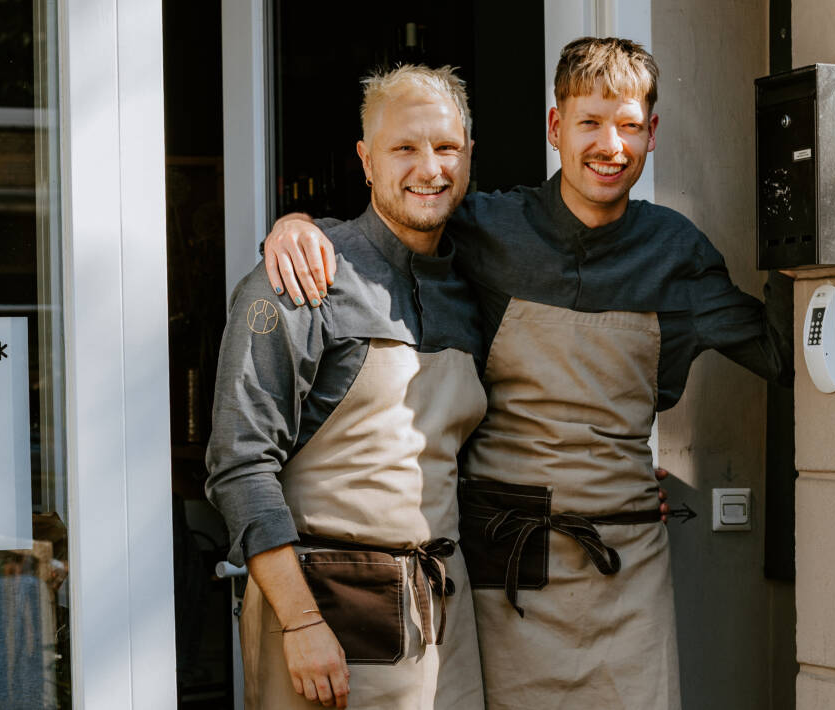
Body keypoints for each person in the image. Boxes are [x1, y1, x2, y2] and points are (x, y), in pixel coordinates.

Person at [262, 38, 793, 710]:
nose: (610, 146)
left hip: (625, 565)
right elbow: (400, 219)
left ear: (651, 134)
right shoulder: (487, 228)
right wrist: (295, 228)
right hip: (506, 568)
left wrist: (797, 231)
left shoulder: (676, 254)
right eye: (590, 123)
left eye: (629, 125)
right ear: (555, 128)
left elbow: (781, 356)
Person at [206, 65, 489, 709]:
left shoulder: (475, 283)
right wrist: (302, 623)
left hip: (446, 622)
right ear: (365, 160)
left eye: (446, 147)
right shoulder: (303, 276)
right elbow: (239, 465)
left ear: (469, 154)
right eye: (404, 148)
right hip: (325, 618)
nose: (429, 167)